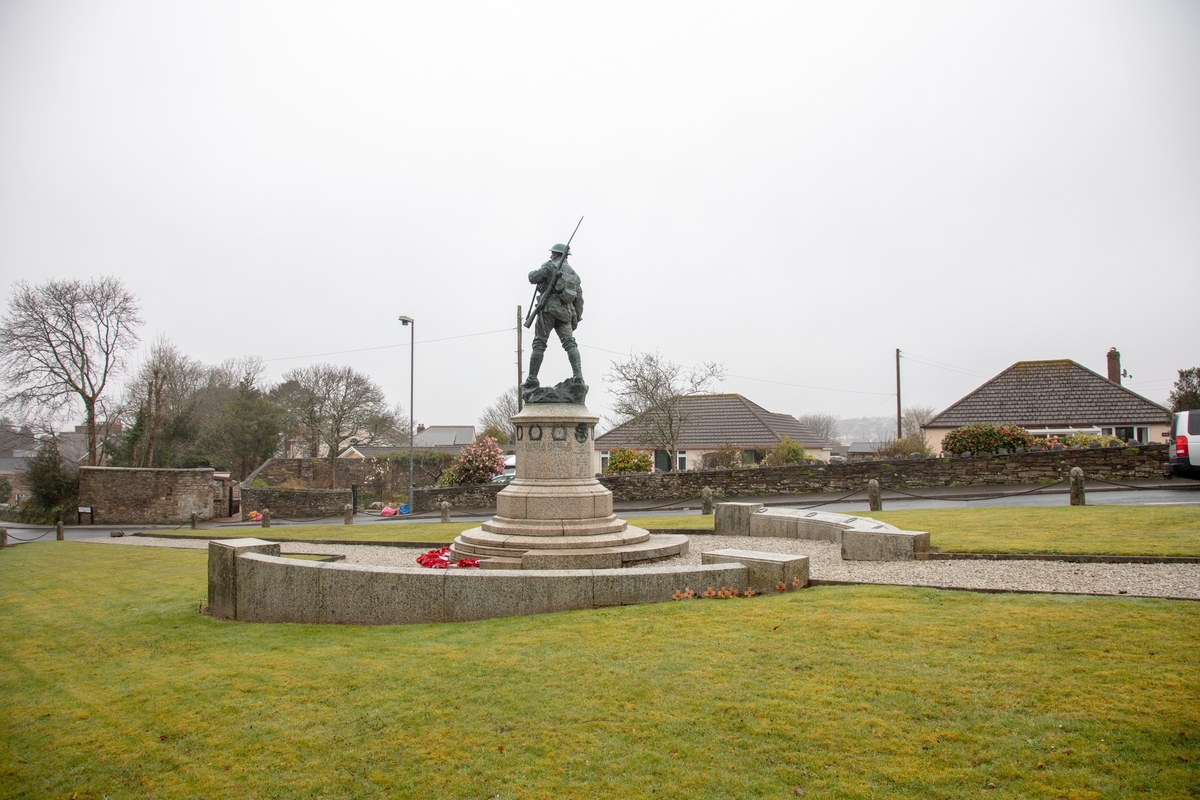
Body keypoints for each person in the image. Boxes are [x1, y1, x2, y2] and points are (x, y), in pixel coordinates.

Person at [523, 242, 584, 392]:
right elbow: (579, 300)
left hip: (548, 309)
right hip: (566, 313)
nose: (551, 255)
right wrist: (577, 317)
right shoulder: (573, 274)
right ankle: (578, 376)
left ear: (555, 254)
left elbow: (532, 277)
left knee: (539, 343)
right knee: (570, 344)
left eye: (552, 253)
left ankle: (531, 380)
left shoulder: (550, 266)